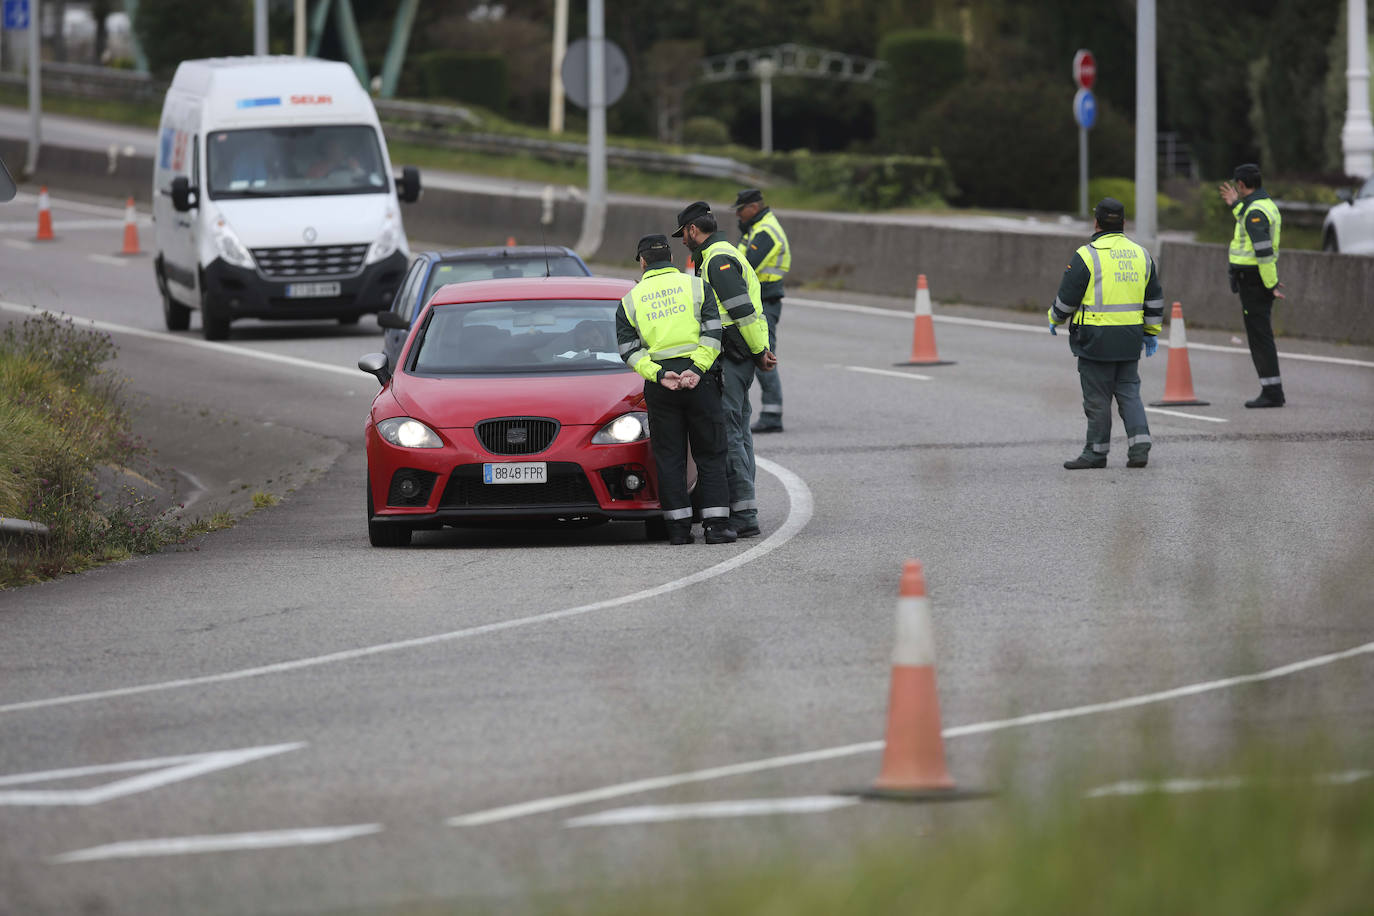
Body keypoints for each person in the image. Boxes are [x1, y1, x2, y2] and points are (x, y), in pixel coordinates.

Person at [615, 234, 736, 546]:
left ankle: (679, 530)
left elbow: (629, 350)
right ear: (670, 258)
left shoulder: (632, 299)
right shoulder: (697, 286)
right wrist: (696, 370)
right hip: (701, 381)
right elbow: (713, 333)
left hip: (662, 385)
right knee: (710, 452)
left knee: (670, 457)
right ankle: (717, 527)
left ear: (642, 262)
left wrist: (658, 374)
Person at [673, 200, 777, 539]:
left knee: (729, 434)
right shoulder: (720, 254)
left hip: (732, 356)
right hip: (740, 354)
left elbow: (741, 310)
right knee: (739, 430)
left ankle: (744, 513)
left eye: (684, 235)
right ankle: (743, 506)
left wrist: (759, 351)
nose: (683, 242)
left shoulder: (717, 261)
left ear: (692, 230)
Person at [1048, 197, 1164, 469]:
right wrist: (1151, 331)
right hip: (1129, 338)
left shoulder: (1086, 255)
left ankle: (1096, 453)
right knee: (1128, 391)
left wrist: (1054, 318)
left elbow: (1067, 299)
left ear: (1096, 222)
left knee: (1098, 397)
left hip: (1095, 339)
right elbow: (1155, 299)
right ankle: (1139, 446)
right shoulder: (1141, 254)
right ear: (1123, 223)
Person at [1220, 163, 1286, 408]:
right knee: (1260, 335)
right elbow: (1248, 219)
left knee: (1260, 337)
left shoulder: (1255, 211)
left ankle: (1272, 392)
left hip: (1255, 281)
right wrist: (1236, 204)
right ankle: (1272, 389)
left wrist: (1271, 284)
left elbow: (1263, 252)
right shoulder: (1262, 205)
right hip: (1256, 280)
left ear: (1240, 184)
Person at [734, 188, 791, 434]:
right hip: (762, 300)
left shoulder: (766, 231)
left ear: (754, 208)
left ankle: (772, 413)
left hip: (765, 299)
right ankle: (770, 411)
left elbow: (746, 266)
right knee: (760, 353)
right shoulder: (756, 229)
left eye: (741, 209)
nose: (738, 214)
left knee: (764, 354)